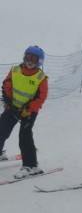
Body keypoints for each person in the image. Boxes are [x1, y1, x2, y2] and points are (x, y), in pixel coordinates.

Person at [0, 46, 48, 178]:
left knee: (24, 136)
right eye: (28, 57)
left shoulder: (41, 77)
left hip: (29, 111)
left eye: (33, 58)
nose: (30, 61)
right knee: (2, 128)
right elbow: (6, 86)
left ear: (39, 61)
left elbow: (41, 97)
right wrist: (9, 102)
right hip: (13, 107)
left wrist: (28, 108)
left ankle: (31, 166)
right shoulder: (15, 70)